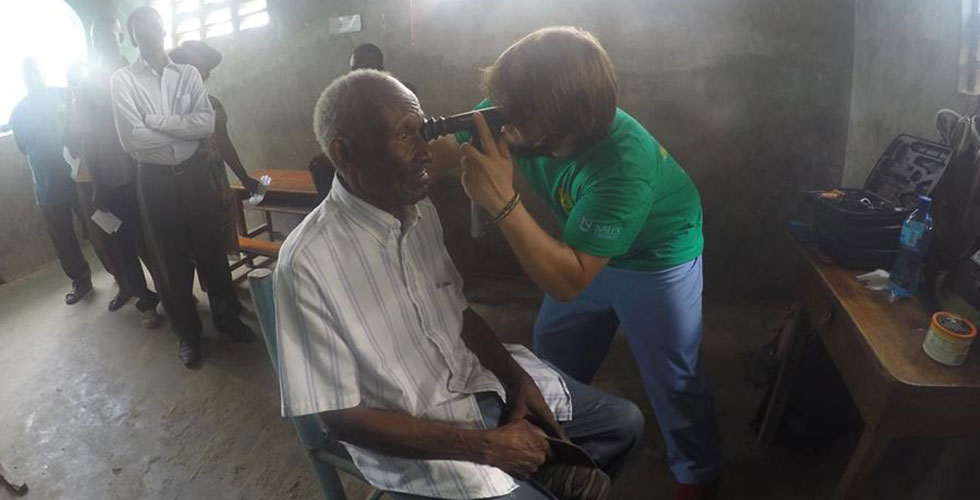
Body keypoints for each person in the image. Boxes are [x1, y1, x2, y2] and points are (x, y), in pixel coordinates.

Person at [274, 69, 644, 500]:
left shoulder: (417, 212)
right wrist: (487, 448)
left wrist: (516, 378)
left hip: (474, 381)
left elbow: (459, 312)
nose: (427, 153)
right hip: (415, 427)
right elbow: (339, 417)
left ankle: (537, 478)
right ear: (345, 155)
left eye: (423, 131)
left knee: (626, 426)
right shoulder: (307, 263)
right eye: (404, 136)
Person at [434, 27, 721, 500]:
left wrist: (503, 203)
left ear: (561, 125)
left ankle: (698, 472)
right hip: (583, 245)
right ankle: (566, 425)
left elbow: (568, 280)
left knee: (673, 373)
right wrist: (405, 162)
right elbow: (451, 144)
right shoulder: (520, 113)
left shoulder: (622, 169)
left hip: (655, 256)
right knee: (554, 348)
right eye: (497, 107)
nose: (498, 126)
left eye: (511, 119)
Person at [111, 6, 254, 367]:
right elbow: (131, 140)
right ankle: (188, 335)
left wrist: (155, 122)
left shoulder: (188, 74)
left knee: (212, 252)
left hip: (192, 176)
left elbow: (205, 124)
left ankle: (227, 320)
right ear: (132, 36)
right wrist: (179, 129)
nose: (150, 33)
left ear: (163, 29)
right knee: (169, 261)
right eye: (141, 28)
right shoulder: (122, 81)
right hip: (154, 181)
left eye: (155, 25)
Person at [65, 17, 163, 327]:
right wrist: (97, 184)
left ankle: (174, 294)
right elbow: (86, 140)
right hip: (112, 179)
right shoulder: (88, 85)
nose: (107, 42)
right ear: (94, 44)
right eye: (100, 38)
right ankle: (146, 303)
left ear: (120, 38)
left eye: (112, 35)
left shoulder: (135, 72)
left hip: (145, 170)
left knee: (158, 240)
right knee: (124, 244)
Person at [9, 57, 93, 305]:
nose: (33, 77)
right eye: (28, 75)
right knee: (64, 239)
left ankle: (120, 277)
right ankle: (81, 281)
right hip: (47, 188)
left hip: (77, 176)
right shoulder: (18, 113)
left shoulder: (62, 95)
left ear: (44, 72)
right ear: (23, 79)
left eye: (36, 72)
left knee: (98, 228)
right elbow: (24, 148)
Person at [168, 40, 261, 255]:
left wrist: (244, 178)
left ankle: (219, 287)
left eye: (203, 72)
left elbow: (224, 144)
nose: (200, 76)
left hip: (215, 186)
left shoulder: (213, 105)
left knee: (217, 249)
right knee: (192, 249)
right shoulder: (167, 110)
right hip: (185, 190)